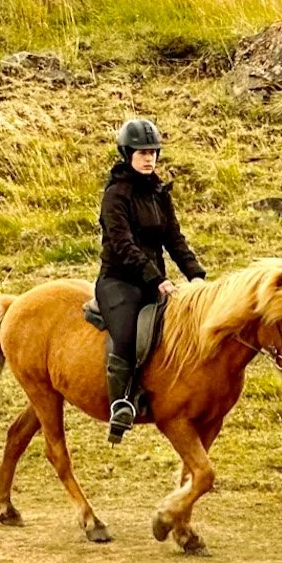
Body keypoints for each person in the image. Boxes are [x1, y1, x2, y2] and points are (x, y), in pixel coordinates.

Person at [97, 117, 206, 442]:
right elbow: (122, 244)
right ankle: (121, 403)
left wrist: (196, 275)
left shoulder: (160, 192)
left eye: (153, 152)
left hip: (154, 281)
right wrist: (156, 279)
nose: (149, 158)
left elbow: (174, 238)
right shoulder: (115, 195)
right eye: (142, 152)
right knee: (128, 335)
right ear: (127, 154)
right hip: (119, 282)